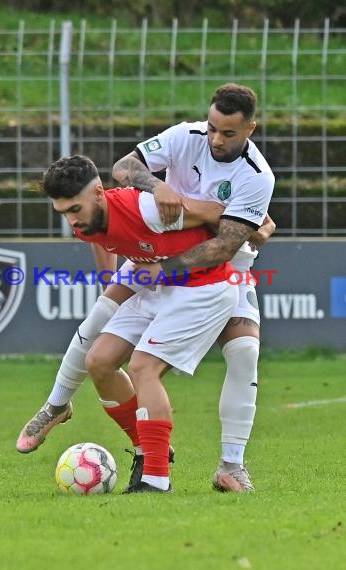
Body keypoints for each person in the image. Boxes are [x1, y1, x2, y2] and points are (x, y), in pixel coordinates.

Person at [16, 82, 275, 493]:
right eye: (212, 128)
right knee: (102, 323)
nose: (215, 139)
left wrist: (249, 225)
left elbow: (224, 242)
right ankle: (61, 407)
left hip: (220, 263)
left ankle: (231, 465)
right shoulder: (182, 138)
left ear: (251, 129)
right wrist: (160, 186)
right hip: (153, 246)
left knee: (243, 354)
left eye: (228, 133)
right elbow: (125, 166)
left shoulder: (258, 176)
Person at [35, 153, 239, 493]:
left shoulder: (146, 209)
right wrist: (111, 286)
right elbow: (106, 246)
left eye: (75, 210)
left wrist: (255, 223)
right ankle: (149, 450)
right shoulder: (88, 220)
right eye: (64, 213)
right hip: (156, 284)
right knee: (98, 362)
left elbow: (218, 214)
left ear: (99, 193)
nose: (71, 220)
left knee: (144, 367)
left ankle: (156, 480)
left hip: (204, 286)